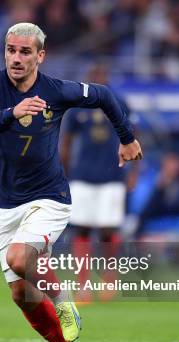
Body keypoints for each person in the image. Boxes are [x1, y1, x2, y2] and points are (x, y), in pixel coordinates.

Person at [0, 23, 142, 342]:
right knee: (20, 294)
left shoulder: (57, 91)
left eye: (25, 52)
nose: (16, 58)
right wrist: (13, 112)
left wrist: (126, 139)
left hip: (50, 197)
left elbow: (105, 96)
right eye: (11, 50)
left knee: (20, 259)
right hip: (8, 204)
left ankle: (64, 302)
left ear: (40, 56)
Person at [60, 63, 138, 303]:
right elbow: (67, 142)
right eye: (94, 75)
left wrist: (134, 170)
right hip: (82, 176)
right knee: (81, 229)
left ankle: (109, 277)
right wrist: (64, 172)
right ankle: (83, 284)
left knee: (108, 229)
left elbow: (134, 136)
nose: (98, 79)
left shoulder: (119, 103)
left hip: (113, 175)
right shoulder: (76, 107)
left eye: (102, 75)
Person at [136, 152, 179, 236]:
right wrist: (159, 188)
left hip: (169, 222)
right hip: (148, 220)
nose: (171, 167)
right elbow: (146, 209)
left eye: (174, 164)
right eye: (169, 163)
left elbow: (177, 208)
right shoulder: (153, 178)